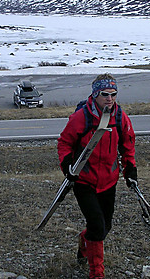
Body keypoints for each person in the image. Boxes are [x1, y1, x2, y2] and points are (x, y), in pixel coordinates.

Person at [58, 73, 137, 279]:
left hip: (108, 181)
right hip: (83, 180)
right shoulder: (81, 117)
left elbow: (127, 145)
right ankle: (97, 273)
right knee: (97, 224)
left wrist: (130, 169)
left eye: (113, 94)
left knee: (104, 227)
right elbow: (64, 142)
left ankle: (85, 242)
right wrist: (67, 165)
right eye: (105, 94)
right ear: (95, 95)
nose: (110, 98)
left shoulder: (120, 117)